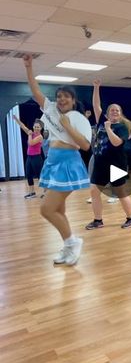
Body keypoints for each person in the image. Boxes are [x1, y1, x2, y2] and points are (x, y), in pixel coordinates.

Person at [22, 54, 91, 266]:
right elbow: (35, 91)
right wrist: (29, 67)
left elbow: (86, 145)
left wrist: (68, 126)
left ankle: (73, 241)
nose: (62, 99)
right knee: (58, 209)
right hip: (52, 161)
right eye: (59, 96)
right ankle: (68, 246)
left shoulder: (79, 119)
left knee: (47, 209)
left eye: (66, 97)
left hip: (68, 163)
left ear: (73, 100)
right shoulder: (50, 109)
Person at [85, 79, 131, 230]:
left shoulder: (122, 127)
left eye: (117, 110)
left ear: (120, 115)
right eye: (112, 110)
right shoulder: (102, 120)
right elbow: (96, 105)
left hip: (116, 164)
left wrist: (108, 128)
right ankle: (97, 220)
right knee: (94, 190)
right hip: (101, 163)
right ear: (106, 114)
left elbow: (116, 143)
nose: (114, 111)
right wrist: (96, 87)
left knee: (120, 192)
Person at [13, 115, 44, 199]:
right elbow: (23, 126)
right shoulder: (31, 133)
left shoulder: (40, 137)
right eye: (35, 126)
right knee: (29, 174)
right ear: (33, 126)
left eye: (38, 127)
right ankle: (32, 192)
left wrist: (29, 135)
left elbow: (31, 143)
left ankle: (46, 193)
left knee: (40, 176)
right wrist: (16, 119)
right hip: (29, 158)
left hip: (37, 158)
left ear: (40, 128)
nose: (36, 128)